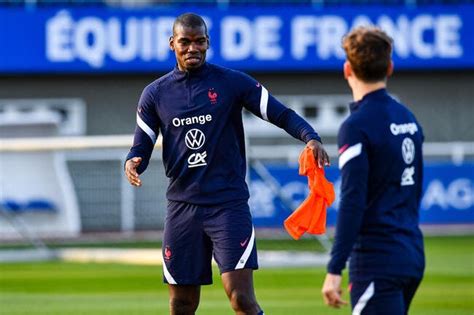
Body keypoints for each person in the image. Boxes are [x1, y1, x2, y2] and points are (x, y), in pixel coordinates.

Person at [125, 13, 329, 315]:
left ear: (208, 43)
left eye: (199, 41)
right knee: (181, 304)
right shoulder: (156, 94)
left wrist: (310, 137)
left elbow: (281, 113)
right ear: (172, 44)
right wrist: (133, 162)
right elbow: (141, 143)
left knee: (241, 299)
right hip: (182, 208)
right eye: (185, 42)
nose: (192, 48)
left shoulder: (231, 82)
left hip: (228, 206)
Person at [321, 26, 425, 314]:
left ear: (347, 69)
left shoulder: (356, 126)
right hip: (412, 252)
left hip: (377, 259)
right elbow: (415, 187)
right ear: (389, 67)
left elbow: (353, 200)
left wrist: (334, 268)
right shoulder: (409, 118)